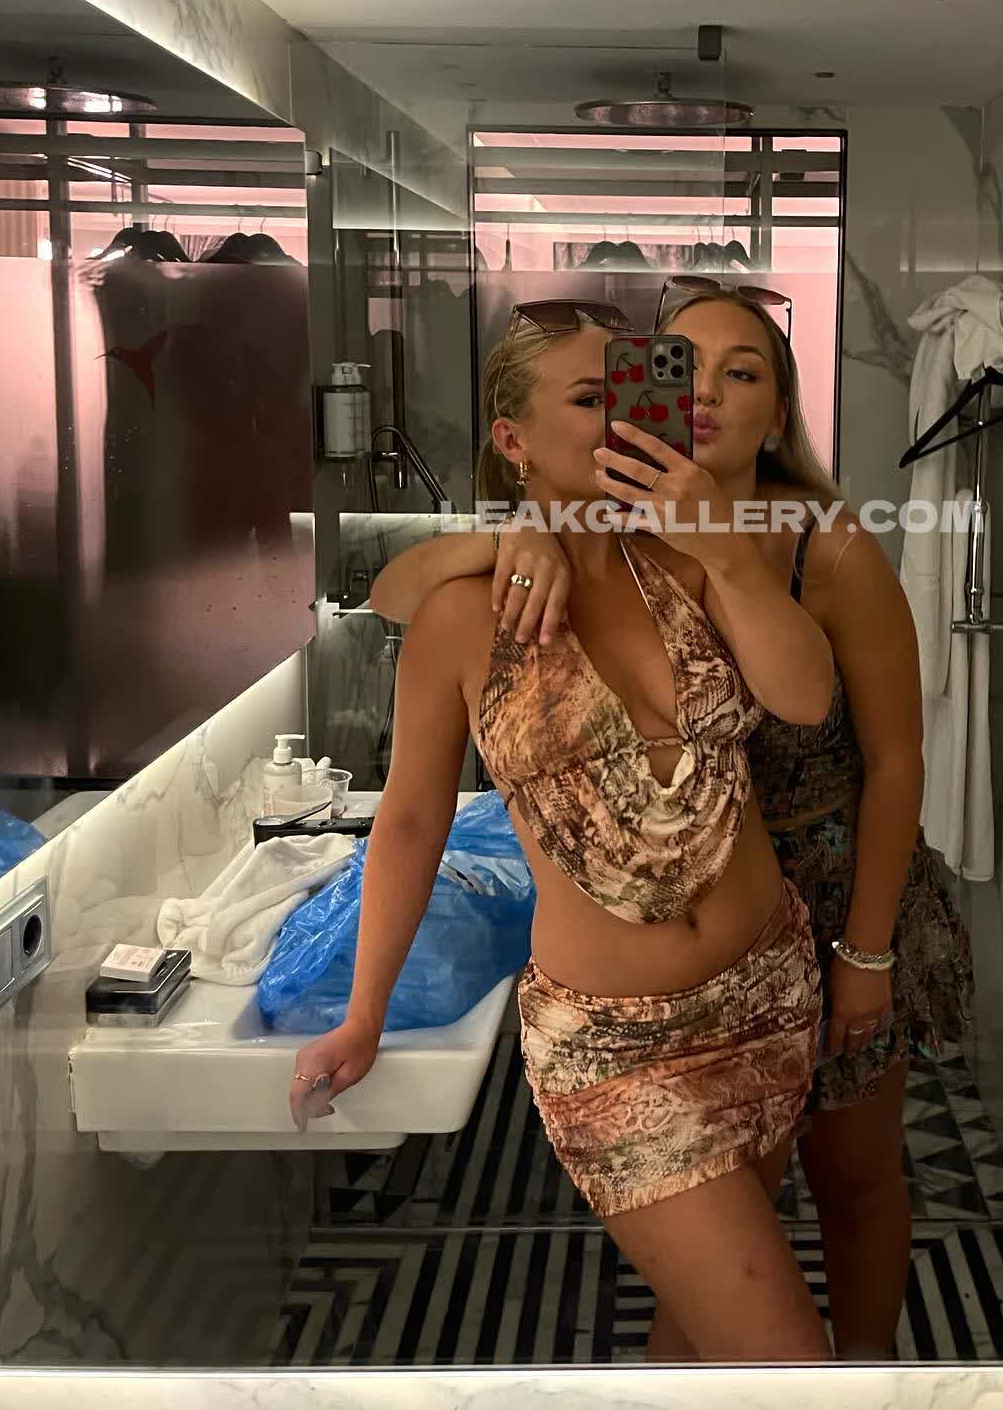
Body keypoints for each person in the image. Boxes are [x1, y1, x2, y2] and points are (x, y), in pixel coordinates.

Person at [370, 281, 974, 1359]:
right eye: (667, 375)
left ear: (779, 411)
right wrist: (512, 535)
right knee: (769, 1343)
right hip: (620, 1036)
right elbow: (397, 626)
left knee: (804, 1233)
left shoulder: (743, 550)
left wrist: (867, 951)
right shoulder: (562, 564)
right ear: (514, 438)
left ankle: (872, 1366)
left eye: (739, 374)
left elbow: (852, 730)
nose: (686, 400)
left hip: (793, 949)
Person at [293, 300, 837, 1363]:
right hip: (616, 1049)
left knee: (702, 1343)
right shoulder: (464, 615)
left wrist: (727, 554)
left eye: (629, 394)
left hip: (767, 996)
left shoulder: (691, 557)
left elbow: (806, 694)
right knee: (787, 1364)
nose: (622, 420)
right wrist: (364, 1014)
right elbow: (411, 820)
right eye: (591, 399)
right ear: (513, 438)